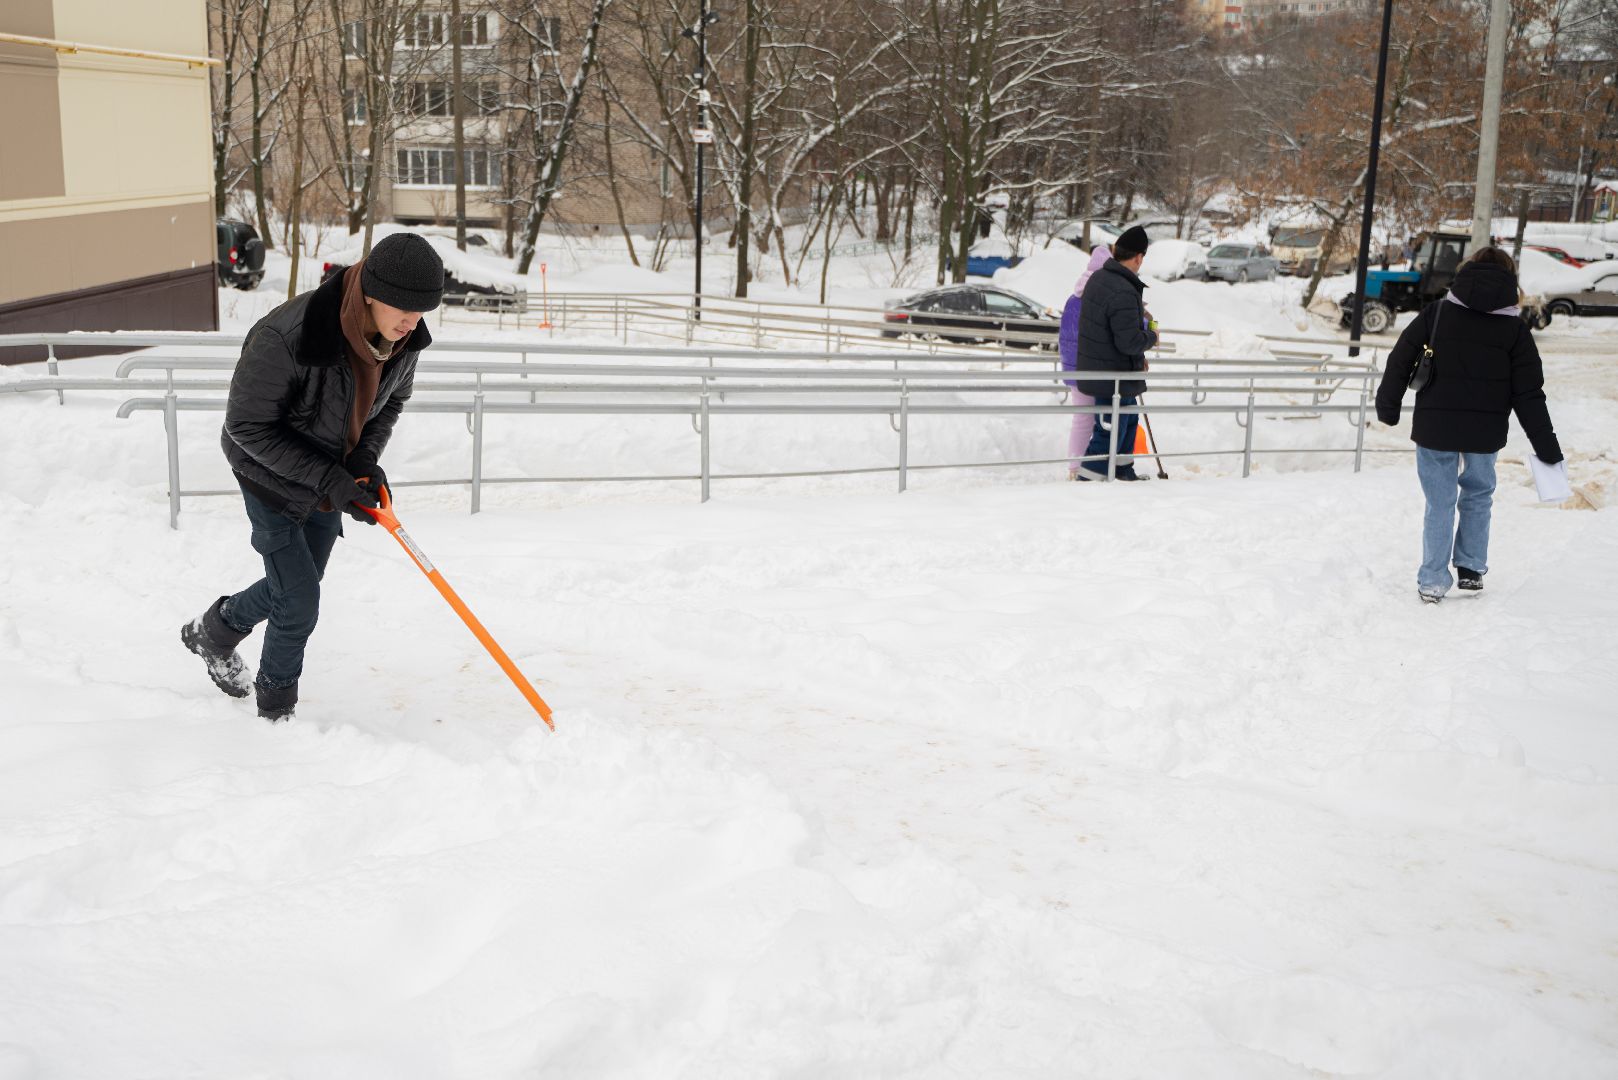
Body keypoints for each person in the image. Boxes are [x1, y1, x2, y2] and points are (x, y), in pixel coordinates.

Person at [181, 232, 445, 719]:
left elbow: (390, 406)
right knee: (299, 598)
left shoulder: (404, 341)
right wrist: (330, 480)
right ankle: (276, 710)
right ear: (370, 292)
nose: (414, 323)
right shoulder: (289, 334)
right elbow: (246, 426)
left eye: (424, 311)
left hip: (331, 476)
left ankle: (212, 633)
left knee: (296, 586)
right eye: (405, 309)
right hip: (267, 473)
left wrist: (362, 463)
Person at [1374, 246, 1562, 604]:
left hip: (1434, 426)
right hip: (1484, 432)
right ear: (1510, 280)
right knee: (1477, 496)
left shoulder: (1438, 313)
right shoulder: (1515, 330)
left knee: (1440, 501)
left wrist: (1388, 406)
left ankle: (1432, 579)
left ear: (1467, 271)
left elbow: (1401, 358)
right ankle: (1472, 569)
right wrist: (1547, 447)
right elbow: (1529, 394)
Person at [1075, 225, 1159, 481]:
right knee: (1110, 428)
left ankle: (1123, 470)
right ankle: (1088, 479)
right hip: (1112, 374)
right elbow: (1128, 341)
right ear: (1138, 257)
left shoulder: (1101, 278)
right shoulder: (1122, 289)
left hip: (1108, 370)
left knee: (1127, 420)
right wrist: (1151, 337)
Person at [1060, 244, 1111, 480]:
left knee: (1082, 418)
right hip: (1091, 366)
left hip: (1072, 366)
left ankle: (1074, 466)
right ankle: (1091, 466)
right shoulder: (1099, 297)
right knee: (1101, 419)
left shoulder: (1073, 298)